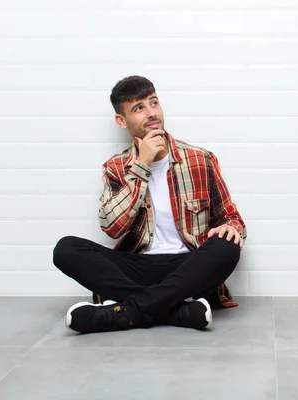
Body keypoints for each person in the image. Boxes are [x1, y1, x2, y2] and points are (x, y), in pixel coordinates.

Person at [53, 76, 246, 334]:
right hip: (136, 267)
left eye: (153, 103)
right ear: (121, 121)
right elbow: (111, 227)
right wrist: (142, 166)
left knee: (227, 247)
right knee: (66, 249)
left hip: (188, 266)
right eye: (138, 108)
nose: (151, 113)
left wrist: (233, 228)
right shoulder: (116, 168)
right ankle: (177, 311)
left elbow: (231, 218)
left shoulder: (201, 159)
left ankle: (127, 312)